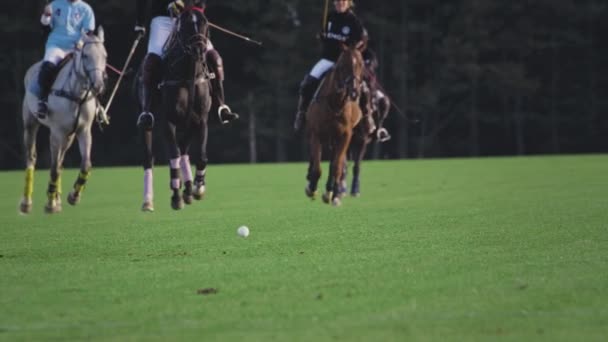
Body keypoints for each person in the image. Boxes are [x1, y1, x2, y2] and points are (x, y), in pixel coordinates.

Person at [135, 0, 239, 129]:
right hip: (163, 20)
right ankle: (147, 111)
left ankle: (221, 106)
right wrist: (140, 23)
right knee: (151, 60)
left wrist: (192, 7)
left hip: (191, 19)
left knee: (215, 58)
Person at [293, 0, 373, 133]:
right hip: (328, 59)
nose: (340, 3)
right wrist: (321, 36)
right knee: (308, 82)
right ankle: (301, 113)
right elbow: (322, 33)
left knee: (363, 87)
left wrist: (352, 48)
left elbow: (361, 40)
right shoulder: (329, 16)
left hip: (345, 62)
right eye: (337, 1)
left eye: (343, 1)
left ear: (348, 3)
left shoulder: (353, 20)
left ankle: (367, 117)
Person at [36, 0, 96, 119]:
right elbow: (45, 26)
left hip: (76, 47)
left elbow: (88, 31)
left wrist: (80, 42)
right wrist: (46, 15)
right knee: (48, 67)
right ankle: (43, 101)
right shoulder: (55, 5)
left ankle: (97, 105)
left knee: (91, 69)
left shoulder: (86, 9)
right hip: (56, 45)